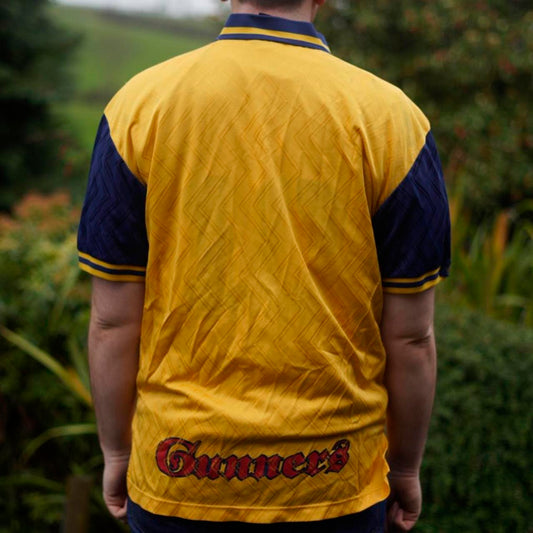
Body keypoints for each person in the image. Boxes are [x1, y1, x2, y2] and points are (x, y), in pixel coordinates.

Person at [77, 0, 451, 531]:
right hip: (333, 478)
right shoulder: (393, 119)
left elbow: (114, 321)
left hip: (178, 470)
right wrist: (406, 467)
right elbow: (411, 337)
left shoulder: (139, 106)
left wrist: (117, 451)